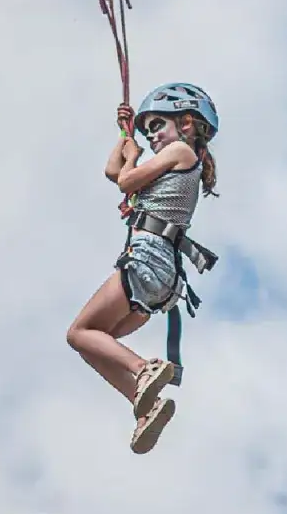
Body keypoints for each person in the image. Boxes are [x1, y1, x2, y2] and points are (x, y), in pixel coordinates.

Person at [66, 82, 220, 454]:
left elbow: (125, 179)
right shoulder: (174, 160)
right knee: (95, 343)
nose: (151, 136)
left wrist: (132, 155)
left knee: (78, 332)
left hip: (149, 259)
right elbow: (113, 171)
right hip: (163, 280)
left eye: (157, 126)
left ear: (186, 124)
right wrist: (125, 137)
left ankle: (141, 369)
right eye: (147, 129)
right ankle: (145, 404)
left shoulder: (182, 151)